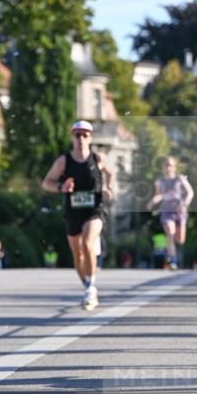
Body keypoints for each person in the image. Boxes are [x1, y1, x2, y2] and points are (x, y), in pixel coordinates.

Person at [41, 119, 113, 311]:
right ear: (72, 138)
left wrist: (106, 187)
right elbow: (46, 182)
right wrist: (60, 187)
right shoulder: (63, 161)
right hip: (73, 209)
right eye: (77, 135)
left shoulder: (98, 158)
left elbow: (110, 173)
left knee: (87, 242)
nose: (81, 139)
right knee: (77, 253)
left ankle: (90, 288)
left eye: (85, 135)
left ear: (90, 138)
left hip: (95, 209)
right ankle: (89, 285)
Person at [146, 156, 194, 269]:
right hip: (166, 210)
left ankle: (173, 257)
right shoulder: (159, 181)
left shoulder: (180, 179)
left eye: (170, 165)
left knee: (180, 240)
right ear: (163, 167)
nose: (168, 167)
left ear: (175, 167)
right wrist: (152, 202)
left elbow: (190, 193)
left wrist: (184, 204)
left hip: (179, 211)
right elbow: (159, 195)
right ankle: (173, 260)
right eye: (166, 165)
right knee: (170, 234)